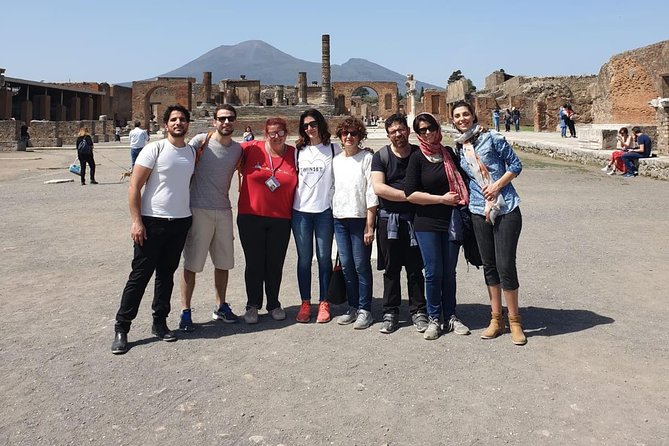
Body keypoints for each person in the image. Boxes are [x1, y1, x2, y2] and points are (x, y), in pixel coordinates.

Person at [111, 105, 196, 354]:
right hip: (152, 221)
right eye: (173, 119)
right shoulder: (154, 149)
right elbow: (134, 186)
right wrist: (136, 221)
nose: (178, 123)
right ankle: (122, 327)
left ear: (187, 124)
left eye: (182, 119)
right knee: (139, 276)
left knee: (166, 276)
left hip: (180, 221)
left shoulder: (191, 152)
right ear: (166, 124)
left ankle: (160, 322)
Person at [450, 100, 526, 346]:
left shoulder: (492, 138)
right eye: (457, 116)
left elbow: (516, 165)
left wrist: (496, 185)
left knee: (505, 265)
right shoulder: (460, 146)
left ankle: (515, 320)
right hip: (477, 210)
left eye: (465, 114)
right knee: (490, 266)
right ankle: (496, 319)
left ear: (473, 115)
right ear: (453, 120)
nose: (462, 118)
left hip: (506, 207)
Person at [404, 113, 470, 341]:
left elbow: (465, 181)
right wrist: (441, 199)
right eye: (422, 130)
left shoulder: (448, 153)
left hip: (450, 221)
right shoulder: (416, 157)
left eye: (430, 127)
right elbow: (410, 194)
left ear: (437, 127)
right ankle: (434, 317)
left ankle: (450, 315)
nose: (428, 132)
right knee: (433, 273)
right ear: (417, 133)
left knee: (449, 273)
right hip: (426, 222)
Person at [177, 105, 242, 332]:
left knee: (223, 263)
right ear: (214, 121)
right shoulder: (200, 142)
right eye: (222, 119)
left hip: (224, 210)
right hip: (198, 209)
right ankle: (185, 310)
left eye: (230, 118)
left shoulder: (237, 150)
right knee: (192, 263)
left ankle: (220, 305)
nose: (226, 122)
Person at [371, 113, 428, 334]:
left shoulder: (418, 153)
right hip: (389, 219)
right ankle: (390, 311)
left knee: (415, 268)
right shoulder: (381, 156)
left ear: (408, 130)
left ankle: (418, 310)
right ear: (388, 135)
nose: (398, 134)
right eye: (393, 131)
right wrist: (411, 196)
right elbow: (379, 188)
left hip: (416, 220)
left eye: (401, 129)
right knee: (391, 268)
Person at [237, 117, 298, 324]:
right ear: (265, 133)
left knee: (274, 263)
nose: (276, 137)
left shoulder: (294, 154)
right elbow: (223, 149)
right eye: (272, 133)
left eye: (280, 132)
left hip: (281, 218)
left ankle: (273, 303)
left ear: (286, 133)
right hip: (250, 215)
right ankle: (252, 304)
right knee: (254, 263)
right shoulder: (250, 148)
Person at [292, 109, 341, 324]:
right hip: (301, 212)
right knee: (304, 260)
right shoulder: (297, 151)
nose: (309, 129)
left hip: (324, 212)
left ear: (321, 124)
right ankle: (305, 302)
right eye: (305, 126)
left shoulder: (333, 149)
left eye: (312, 124)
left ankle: (324, 301)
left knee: (323, 259)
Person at [332, 117, 378, 330]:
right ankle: (352, 306)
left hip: (360, 219)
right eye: (345, 133)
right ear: (340, 136)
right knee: (347, 266)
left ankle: (365, 309)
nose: (349, 137)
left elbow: (371, 191)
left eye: (353, 133)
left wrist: (370, 224)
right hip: (340, 218)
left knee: (361, 265)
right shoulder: (336, 160)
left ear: (360, 136)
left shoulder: (367, 158)